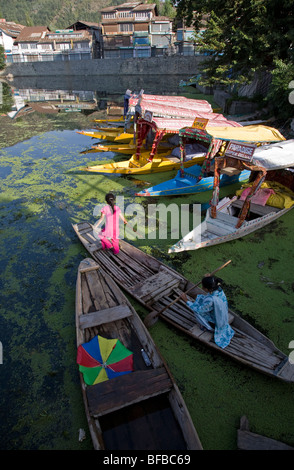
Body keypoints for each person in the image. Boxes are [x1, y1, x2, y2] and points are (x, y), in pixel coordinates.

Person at [181, 276, 234, 349]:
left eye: (203, 287)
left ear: (209, 288)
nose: (202, 288)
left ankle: (208, 327)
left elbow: (198, 309)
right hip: (222, 317)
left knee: (196, 311)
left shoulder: (211, 300)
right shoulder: (219, 290)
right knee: (202, 298)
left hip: (216, 322)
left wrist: (186, 300)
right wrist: (209, 278)